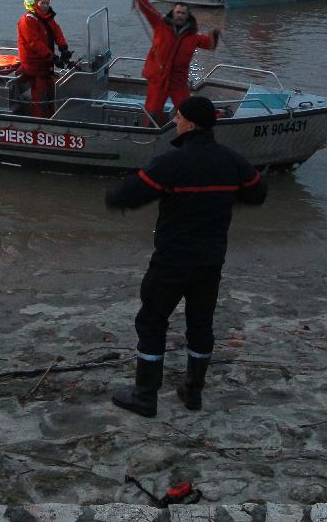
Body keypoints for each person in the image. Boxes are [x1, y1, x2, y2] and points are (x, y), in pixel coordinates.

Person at [105, 96, 267, 417]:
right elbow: (258, 193)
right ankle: (192, 392)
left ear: (190, 124)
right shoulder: (231, 161)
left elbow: (128, 195)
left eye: (177, 117)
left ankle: (145, 396)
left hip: (172, 260)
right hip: (210, 261)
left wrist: (112, 196)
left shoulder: (172, 162)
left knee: (152, 321)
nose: (175, 121)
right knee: (200, 323)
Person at [129, 0, 220, 124]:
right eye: (178, 12)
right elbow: (146, 8)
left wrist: (215, 34)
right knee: (151, 112)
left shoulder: (193, 37)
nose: (180, 15)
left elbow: (210, 44)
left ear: (187, 16)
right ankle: (151, 133)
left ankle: (189, 133)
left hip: (178, 81)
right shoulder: (160, 25)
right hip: (159, 79)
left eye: (183, 13)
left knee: (187, 110)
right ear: (173, 13)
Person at [17, 0, 72, 117]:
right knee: (39, 90)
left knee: (50, 87)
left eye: (47, 3)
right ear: (37, 3)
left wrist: (63, 48)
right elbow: (34, 43)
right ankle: (39, 119)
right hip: (33, 61)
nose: (46, 6)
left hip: (45, 60)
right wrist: (52, 57)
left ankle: (52, 114)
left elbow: (56, 30)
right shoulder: (27, 20)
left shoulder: (46, 17)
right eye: (43, 3)